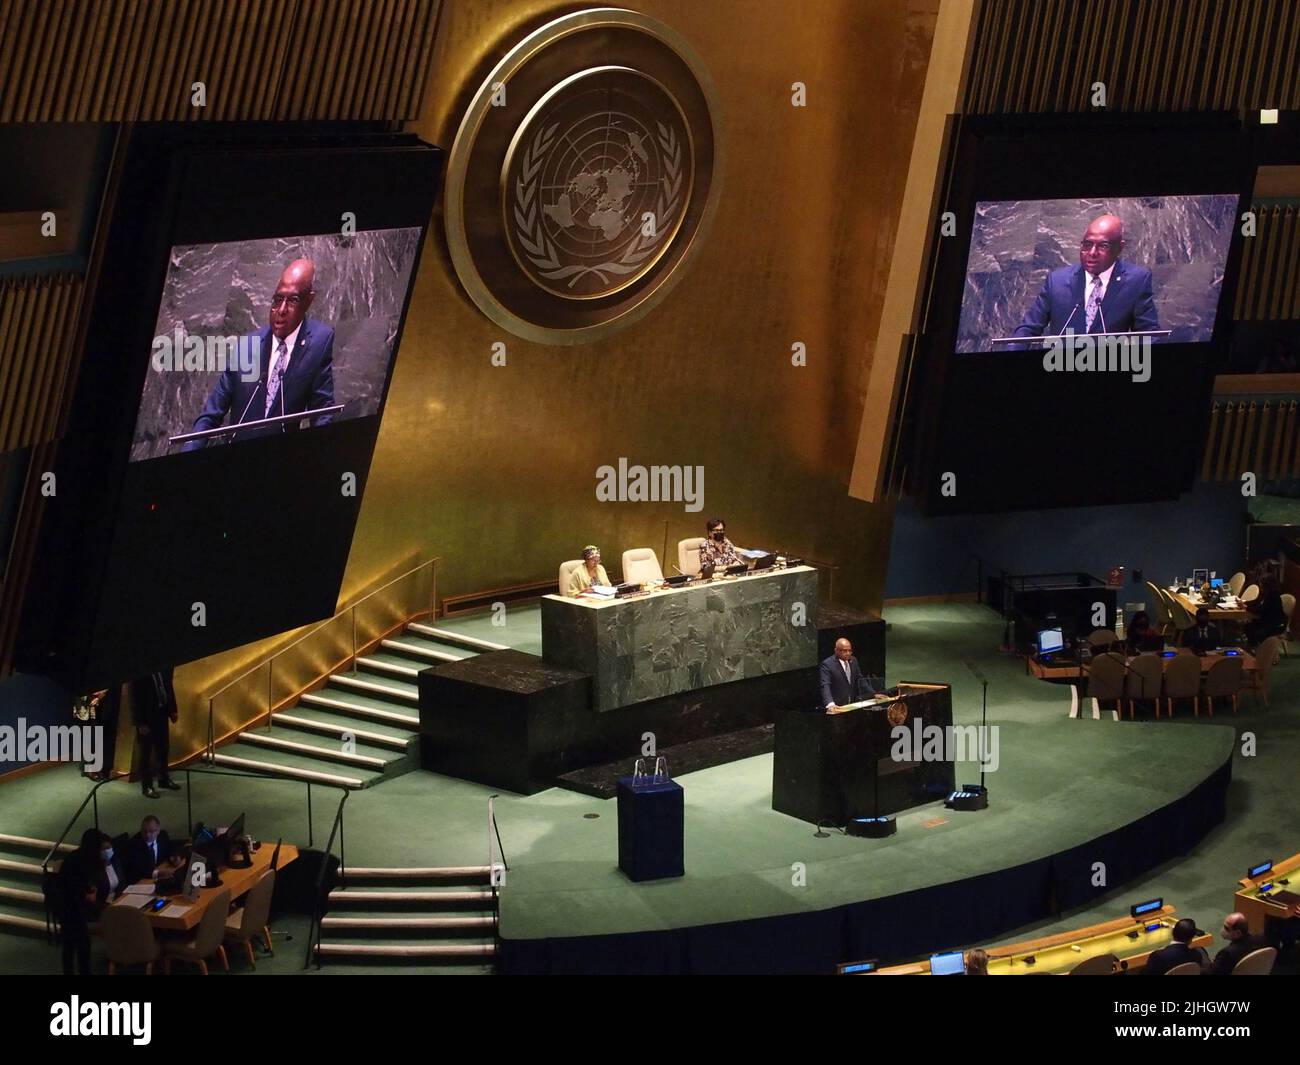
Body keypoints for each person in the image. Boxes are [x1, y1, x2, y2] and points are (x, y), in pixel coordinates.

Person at [182, 259, 335, 450]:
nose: (281, 310)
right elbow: (210, 416)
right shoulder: (248, 346)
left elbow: (322, 411)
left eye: (293, 301)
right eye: (278, 300)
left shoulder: (320, 342)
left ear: (308, 301)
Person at [1013, 214, 1159, 341]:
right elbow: (1027, 330)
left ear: (1119, 248)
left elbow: (1149, 334)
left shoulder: (1136, 281)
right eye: (1087, 245)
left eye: (1103, 246)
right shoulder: (1057, 281)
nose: (1092, 252)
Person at [56, 829, 123, 975]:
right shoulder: (81, 860)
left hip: (69, 905)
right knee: (79, 945)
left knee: (71, 946)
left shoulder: (79, 857)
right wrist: (86, 894)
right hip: (69, 907)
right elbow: (73, 885)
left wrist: (88, 889)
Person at [132, 669, 179, 799]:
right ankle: (147, 786)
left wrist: (173, 710)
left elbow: (169, 688)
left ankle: (164, 779)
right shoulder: (140, 673)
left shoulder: (163, 670)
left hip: (162, 714)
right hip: (147, 719)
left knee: (163, 749)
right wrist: (140, 723)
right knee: (145, 754)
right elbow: (135, 698)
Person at [819, 638, 877, 711]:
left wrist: (873, 694)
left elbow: (860, 680)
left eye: (850, 651)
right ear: (836, 650)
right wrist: (830, 703)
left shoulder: (854, 660)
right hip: (837, 707)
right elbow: (825, 685)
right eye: (844, 651)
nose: (848, 653)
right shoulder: (828, 664)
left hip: (852, 705)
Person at [124, 814, 180, 883]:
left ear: (158, 830)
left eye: (151, 831)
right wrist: (158, 873)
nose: (147, 835)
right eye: (144, 831)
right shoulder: (133, 844)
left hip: (160, 876)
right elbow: (138, 870)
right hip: (142, 881)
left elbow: (171, 848)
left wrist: (174, 857)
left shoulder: (163, 836)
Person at [1244, 575, 1286, 647]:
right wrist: (1244, 602)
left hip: (1275, 625)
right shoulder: (1265, 594)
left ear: (1266, 585)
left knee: (1257, 633)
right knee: (1247, 627)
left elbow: (1260, 611)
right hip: (1267, 621)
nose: (1260, 586)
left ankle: (1261, 649)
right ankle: (1255, 648)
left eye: (1261, 584)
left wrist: (1246, 607)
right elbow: (1256, 602)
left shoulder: (1273, 596)